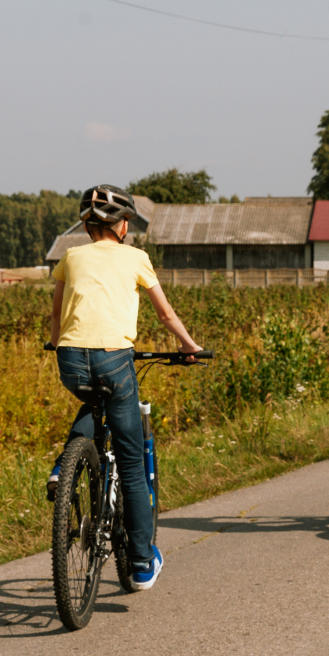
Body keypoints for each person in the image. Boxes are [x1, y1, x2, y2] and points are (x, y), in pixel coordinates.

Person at [46, 184, 204, 590]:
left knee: (91, 400)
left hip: (69, 357)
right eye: (127, 223)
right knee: (132, 462)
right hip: (114, 358)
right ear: (120, 226)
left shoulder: (70, 256)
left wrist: (56, 342)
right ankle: (139, 563)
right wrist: (190, 347)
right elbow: (165, 314)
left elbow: (57, 314)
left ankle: (65, 466)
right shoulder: (136, 258)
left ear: (86, 225)